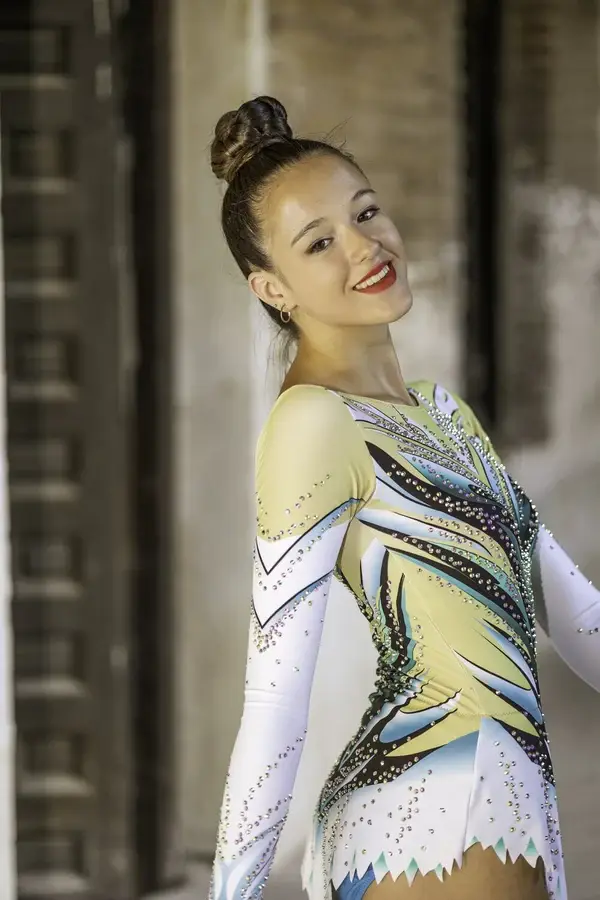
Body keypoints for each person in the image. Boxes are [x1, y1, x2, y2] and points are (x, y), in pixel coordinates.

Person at [207, 96, 600, 900]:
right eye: (320, 242)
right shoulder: (312, 423)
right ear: (272, 287)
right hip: (438, 806)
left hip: (500, 792)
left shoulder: (443, 412)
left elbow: (574, 616)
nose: (364, 246)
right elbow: (274, 703)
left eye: (365, 212)